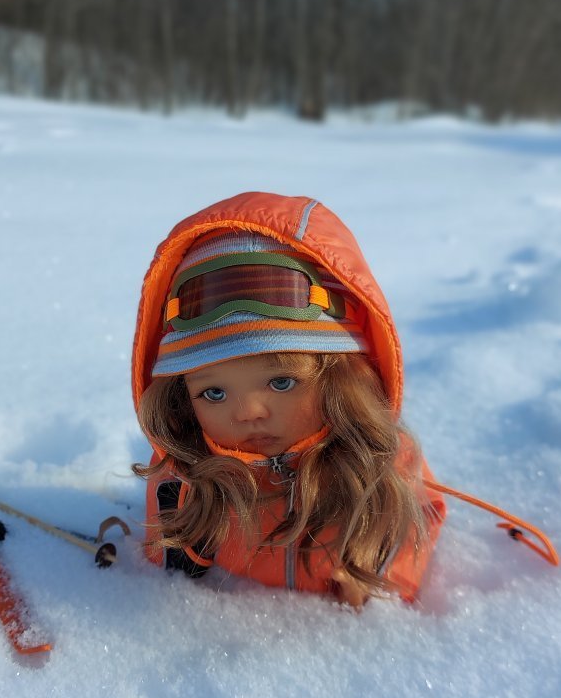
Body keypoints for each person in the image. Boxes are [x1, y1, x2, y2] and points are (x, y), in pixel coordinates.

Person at [131, 191, 447, 606]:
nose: (247, 412)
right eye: (213, 392)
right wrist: (177, 563)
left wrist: (379, 573)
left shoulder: (378, 461)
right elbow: (167, 558)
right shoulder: (187, 473)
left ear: (341, 379)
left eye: (281, 382)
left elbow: (420, 518)